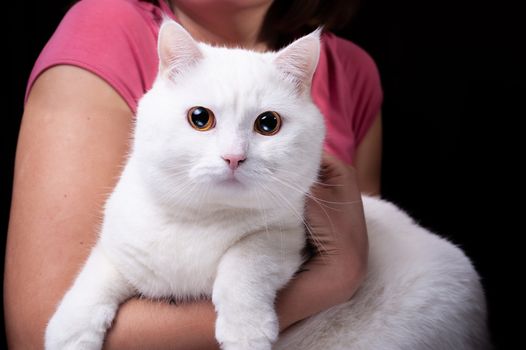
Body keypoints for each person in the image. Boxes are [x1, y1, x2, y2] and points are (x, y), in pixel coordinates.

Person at [4, 0, 383, 348]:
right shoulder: (108, 25)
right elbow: (35, 333)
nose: (234, 155)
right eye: (201, 119)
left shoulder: (351, 68)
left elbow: (358, 230)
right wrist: (336, 278)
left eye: (266, 124)